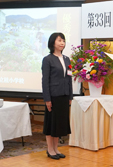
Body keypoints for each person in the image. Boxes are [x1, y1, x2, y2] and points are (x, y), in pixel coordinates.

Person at [42, 32, 73, 160]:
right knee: (51, 124)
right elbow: (45, 81)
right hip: (53, 96)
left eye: (63, 40)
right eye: (59, 40)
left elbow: (69, 78)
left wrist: (70, 96)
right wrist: (47, 99)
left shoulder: (67, 59)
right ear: (52, 43)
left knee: (59, 124)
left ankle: (56, 149)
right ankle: (50, 150)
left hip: (64, 95)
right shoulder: (48, 59)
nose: (62, 43)